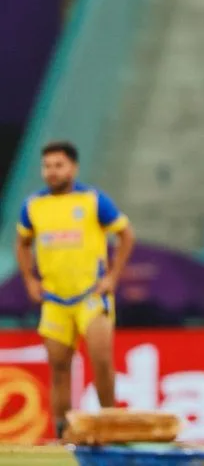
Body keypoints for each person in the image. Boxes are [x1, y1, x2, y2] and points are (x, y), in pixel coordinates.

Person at [15, 141, 135, 440]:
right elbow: (22, 243)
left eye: (58, 165)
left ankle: (109, 425)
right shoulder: (33, 206)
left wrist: (112, 277)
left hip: (91, 296)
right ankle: (63, 432)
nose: (52, 172)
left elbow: (125, 234)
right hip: (55, 300)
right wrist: (30, 280)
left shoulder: (92, 200)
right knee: (59, 367)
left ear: (73, 168)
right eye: (47, 166)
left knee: (101, 361)